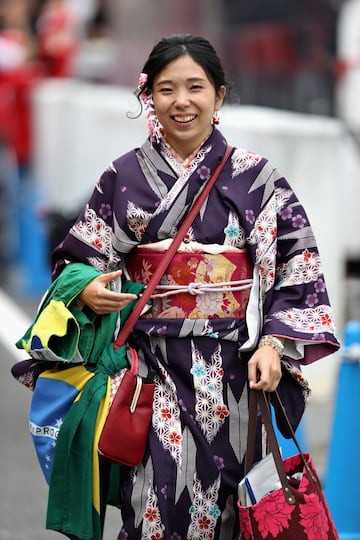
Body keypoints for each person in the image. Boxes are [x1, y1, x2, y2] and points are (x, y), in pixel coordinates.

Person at [15, 33, 339, 539]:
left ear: (220, 96)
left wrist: (275, 345)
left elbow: (298, 265)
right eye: (167, 89)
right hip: (149, 366)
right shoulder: (123, 178)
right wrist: (87, 290)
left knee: (234, 504)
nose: (181, 102)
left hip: (232, 371)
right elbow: (79, 259)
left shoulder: (256, 179)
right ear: (149, 97)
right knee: (153, 499)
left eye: (195, 87)